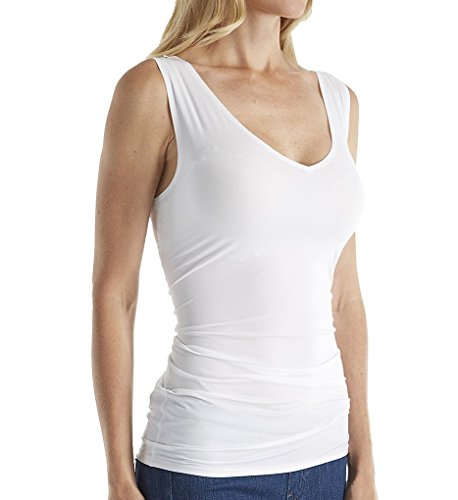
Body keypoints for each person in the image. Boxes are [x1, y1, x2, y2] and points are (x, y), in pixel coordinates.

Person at [91, 1, 378, 499]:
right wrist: (118, 476)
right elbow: (116, 293)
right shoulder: (158, 90)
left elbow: (344, 297)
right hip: (207, 462)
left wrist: (365, 459)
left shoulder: (338, 100)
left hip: (324, 457)